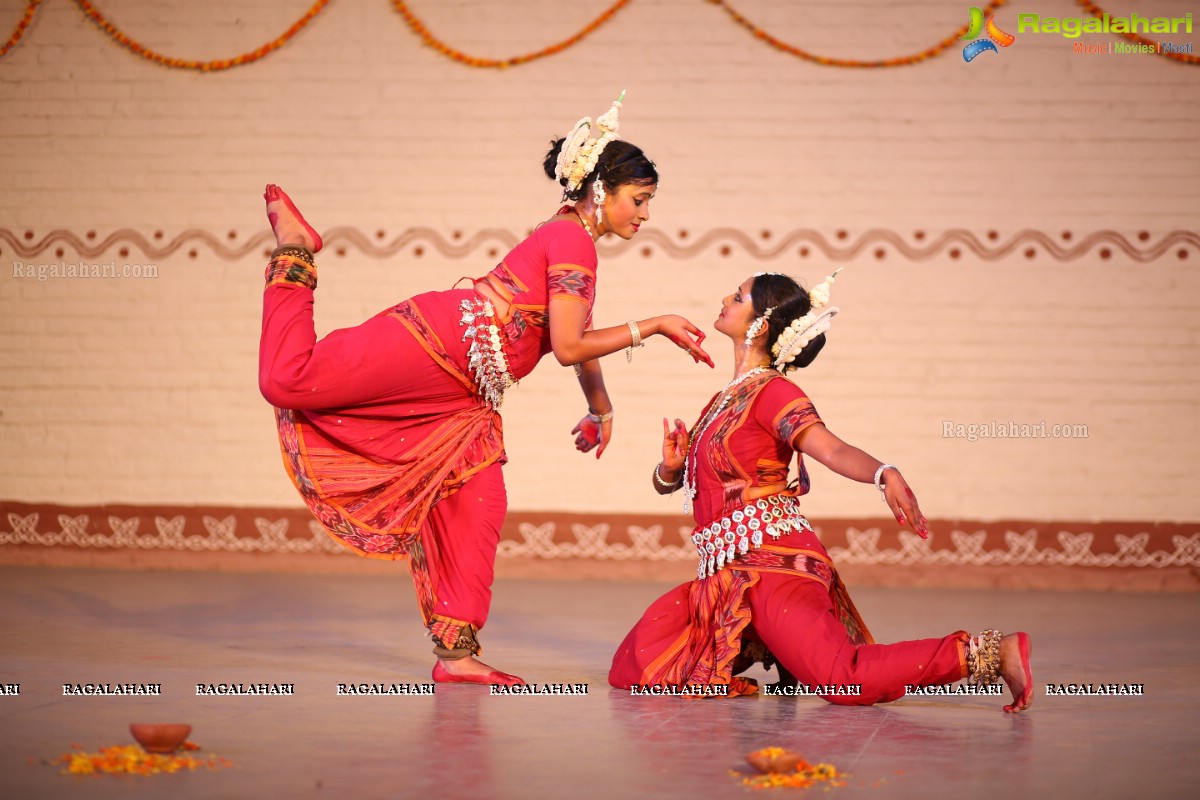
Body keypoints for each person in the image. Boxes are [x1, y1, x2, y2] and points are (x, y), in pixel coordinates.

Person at [258, 93, 713, 686]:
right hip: (438, 342)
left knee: (477, 502)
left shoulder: (576, 243)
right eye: (640, 199)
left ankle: (456, 656)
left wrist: (600, 410)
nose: (645, 214)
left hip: (466, 394)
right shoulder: (572, 238)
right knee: (286, 379)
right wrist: (652, 325)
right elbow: (573, 345)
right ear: (600, 191)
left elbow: (563, 339)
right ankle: (296, 249)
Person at [608, 271, 1034, 712]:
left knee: (842, 679)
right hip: (730, 575)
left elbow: (828, 447)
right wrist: (669, 469)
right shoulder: (724, 399)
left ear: (761, 324)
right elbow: (691, 486)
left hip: (776, 565)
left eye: (737, 296)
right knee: (637, 665)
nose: (724, 299)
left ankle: (986, 654)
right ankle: (767, 645)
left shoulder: (775, 392)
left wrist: (883, 472)